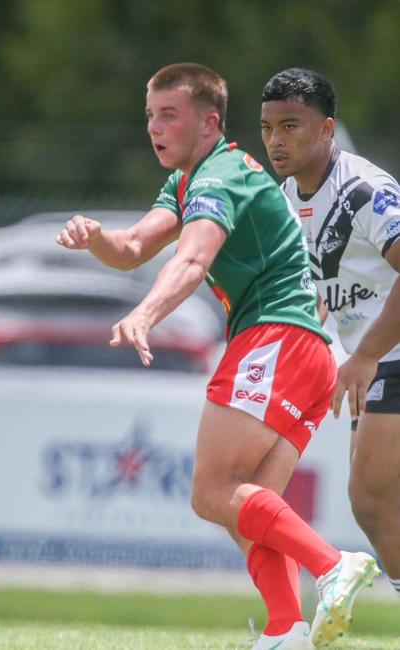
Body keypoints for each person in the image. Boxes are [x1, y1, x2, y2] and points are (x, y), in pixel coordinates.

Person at [56, 62, 380, 650]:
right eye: (150, 116)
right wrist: (95, 235)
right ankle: (286, 630)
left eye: (169, 115)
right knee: (248, 505)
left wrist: (145, 314)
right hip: (305, 349)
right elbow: (133, 247)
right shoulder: (188, 180)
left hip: (274, 339)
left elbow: (193, 259)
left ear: (209, 122)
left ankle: (334, 565)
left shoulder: (217, 176)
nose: (155, 127)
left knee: (211, 491)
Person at [261, 67, 400, 601]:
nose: (276, 140)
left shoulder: (365, 191)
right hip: (375, 359)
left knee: (370, 499)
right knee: (375, 502)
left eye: (291, 125)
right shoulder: (287, 196)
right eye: (269, 127)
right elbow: (321, 283)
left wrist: (363, 356)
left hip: (388, 357)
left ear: (327, 130)